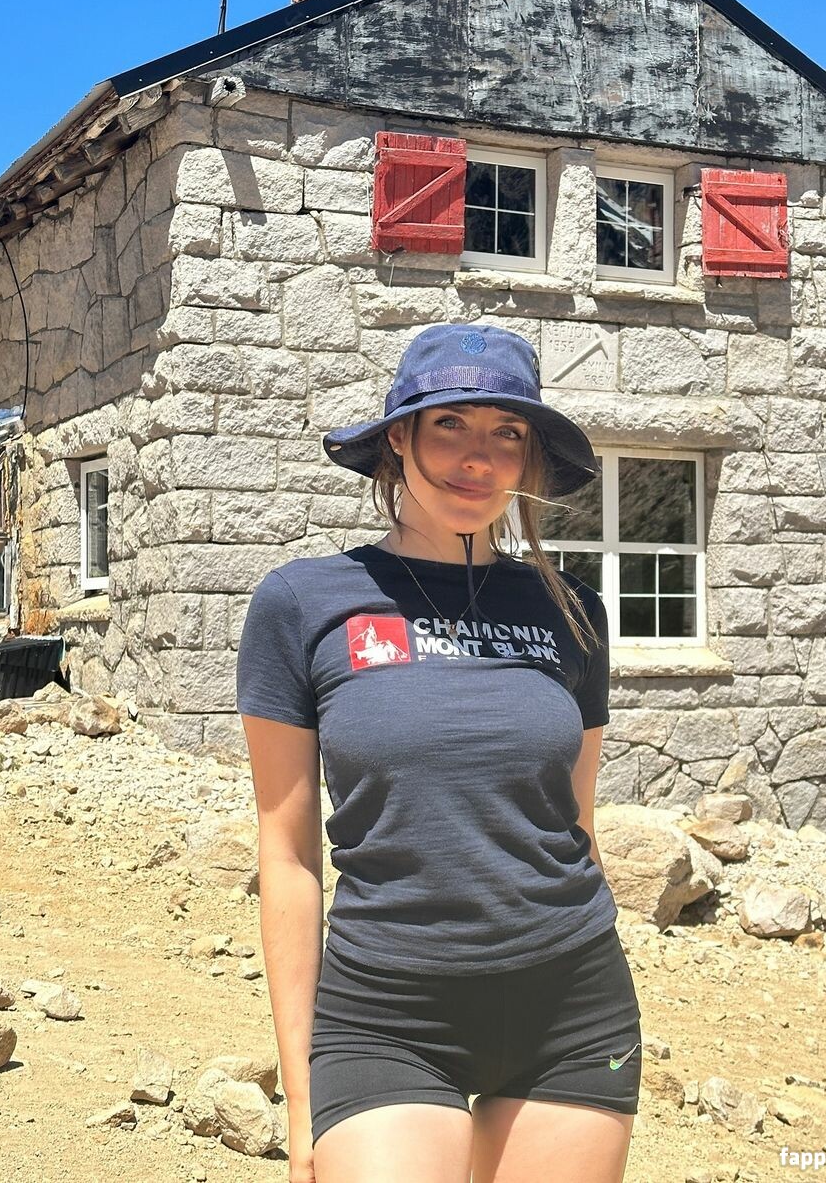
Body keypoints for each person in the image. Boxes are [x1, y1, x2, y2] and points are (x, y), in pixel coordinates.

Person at [237, 323, 640, 1183]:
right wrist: (302, 1096)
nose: (478, 458)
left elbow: (577, 825)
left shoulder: (572, 610)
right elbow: (288, 857)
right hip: (385, 1014)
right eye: (450, 423)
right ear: (399, 437)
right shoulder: (303, 602)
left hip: (570, 1006)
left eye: (508, 432)